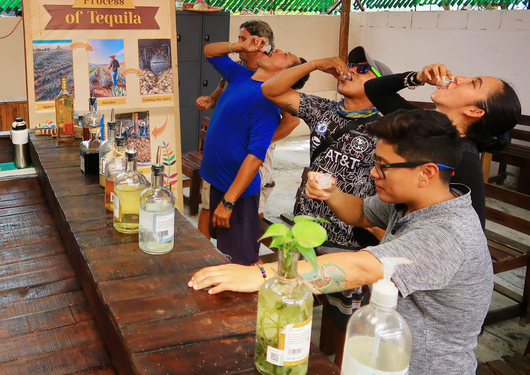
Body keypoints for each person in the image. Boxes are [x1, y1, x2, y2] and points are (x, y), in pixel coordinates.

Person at [189, 109, 493, 375]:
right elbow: (361, 212)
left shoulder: (447, 232)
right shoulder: (411, 201)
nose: (374, 172)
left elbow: (362, 266)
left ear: (426, 173)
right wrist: (330, 192)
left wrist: (263, 274)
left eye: (384, 166)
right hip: (383, 357)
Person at [260, 46, 392, 354]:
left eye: (362, 70)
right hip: (305, 229)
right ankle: (288, 355)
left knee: (344, 320)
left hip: (348, 238)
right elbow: (271, 89)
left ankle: (336, 363)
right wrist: (316, 64)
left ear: (379, 86)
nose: (350, 70)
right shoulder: (324, 110)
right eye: (352, 65)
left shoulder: (388, 127)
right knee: (292, 300)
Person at [365, 63, 522, 228]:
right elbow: (374, 89)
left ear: (475, 111)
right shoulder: (424, 127)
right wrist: (417, 78)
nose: (459, 78)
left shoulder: (464, 161)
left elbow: (471, 230)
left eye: (473, 83)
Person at [201, 35, 308, 265]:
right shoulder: (242, 75)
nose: (278, 49)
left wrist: (229, 202)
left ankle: (253, 297)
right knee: (225, 250)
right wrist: (239, 46)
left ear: (285, 74)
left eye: (285, 55)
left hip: (236, 193)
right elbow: (209, 51)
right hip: (220, 181)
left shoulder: (266, 101)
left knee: (244, 260)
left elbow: (255, 156)